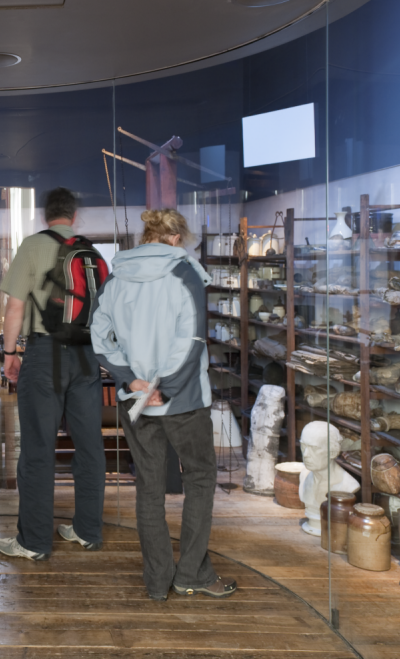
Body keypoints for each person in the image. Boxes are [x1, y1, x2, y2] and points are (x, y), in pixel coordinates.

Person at [89, 208, 236, 600]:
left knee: (149, 487)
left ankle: (157, 581)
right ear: (174, 239)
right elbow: (191, 340)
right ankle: (192, 574)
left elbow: (99, 336)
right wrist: (165, 386)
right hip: (182, 398)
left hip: (136, 398)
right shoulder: (184, 271)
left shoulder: (117, 274)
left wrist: (132, 380)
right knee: (201, 478)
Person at [0, 187, 106, 560]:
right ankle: (87, 530)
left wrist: (9, 353)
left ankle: (34, 542)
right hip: (88, 356)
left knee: (39, 449)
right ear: (73, 216)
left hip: (45, 354)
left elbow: (14, 308)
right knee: (89, 446)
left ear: (46, 216)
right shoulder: (92, 252)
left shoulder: (32, 245)